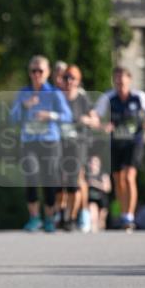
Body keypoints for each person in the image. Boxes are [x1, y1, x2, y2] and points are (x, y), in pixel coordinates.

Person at [9, 55, 72, 232]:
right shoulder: (23, 93)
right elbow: (12, 118)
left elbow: (67, 116)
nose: (37, 74)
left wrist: (49, 115)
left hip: (50, 141)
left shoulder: (54, 93)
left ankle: (50, 218)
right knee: (31, 175)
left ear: (48, 72)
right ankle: (34, 218)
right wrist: (24, 107)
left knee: (49, 179)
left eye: (40, 71)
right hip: (29, 141)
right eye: (33, 71)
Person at [91, 66, 145, 233]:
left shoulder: (138, 96)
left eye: (122, 78)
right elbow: (95, 116)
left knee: (129, 177)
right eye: (116, 78)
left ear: (129, 79)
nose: (119, 81)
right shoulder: (108, 97)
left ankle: (129, 217)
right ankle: (123, 213)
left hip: (134, 141)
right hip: (116, 143)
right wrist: (102, 126)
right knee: (118, 180)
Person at [60, 64, 95, 231]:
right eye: (66, 77)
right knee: (61, 180)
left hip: (79, 143)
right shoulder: (57, 98)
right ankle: (62, 213)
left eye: (72, 78)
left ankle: (75, 217)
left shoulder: (83, 99)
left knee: (76, 180)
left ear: (78, 81)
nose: (68, 81)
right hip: (61, 143)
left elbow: (95, 121)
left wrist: (86, 120)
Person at [86, 154, 112, 232]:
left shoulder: (103, 174)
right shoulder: (87, 174)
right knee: (93, 217)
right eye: (91, 162)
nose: (93, 164)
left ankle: (101, 237)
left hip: (102, 199)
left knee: (101, 222)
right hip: (91, 199)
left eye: (95, 162)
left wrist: (95, 184)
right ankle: (93, 232)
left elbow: (107, 188)